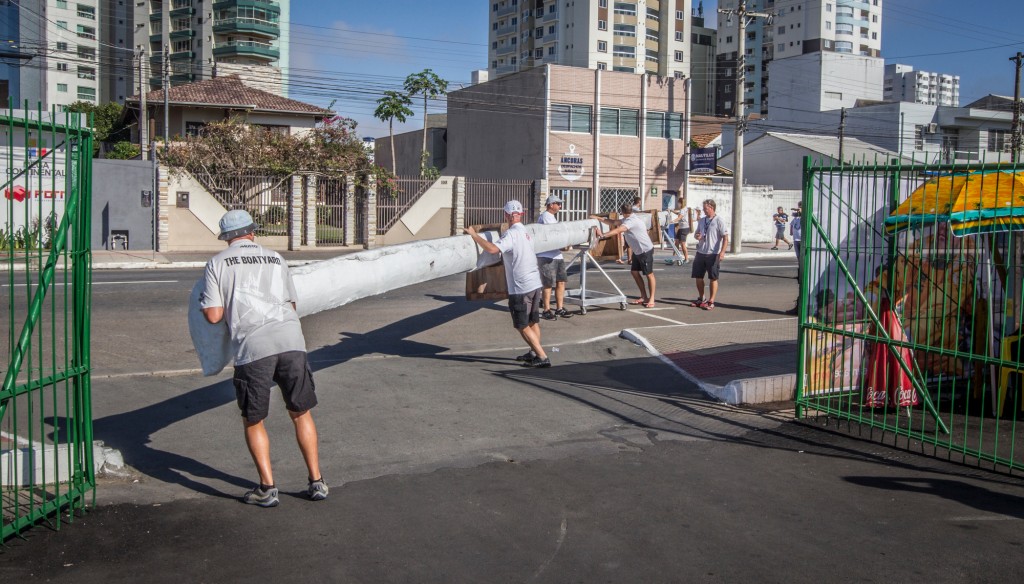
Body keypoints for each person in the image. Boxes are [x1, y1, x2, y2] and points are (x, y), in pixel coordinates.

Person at [200, 210, 327, 507]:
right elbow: (292, 305)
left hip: (253, 348)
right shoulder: (276, 258)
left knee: (253, 419)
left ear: (227, 238)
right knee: (301, 413)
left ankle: (267, 489)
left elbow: (214, 315)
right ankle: (317, 481)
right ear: (252, 232)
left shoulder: (217, 263)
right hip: (292, 341)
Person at [464, 200, 551, 368]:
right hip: (534, 283)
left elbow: (493, 250)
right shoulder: (525, 232)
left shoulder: (511, 234)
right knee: (533, 322)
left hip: (520, 286)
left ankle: (542, 356)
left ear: (508, 215)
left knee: (522, 325)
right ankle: (534, 352)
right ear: (520, 215)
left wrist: (475, 236)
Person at [592, 203, 657, 308]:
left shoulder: (631, 221)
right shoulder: (628, 218)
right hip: (637, 251)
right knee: (634, 272)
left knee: (649, 274)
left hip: (645, 250)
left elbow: (619, 230)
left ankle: (652, 298)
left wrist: (603, 235)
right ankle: (644, 296)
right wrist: (598, 218)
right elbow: (613, 222)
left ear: (622, 212)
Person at [536, 195, 573, 321]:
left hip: (556, 255)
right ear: (551, 204)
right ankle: (546, 309)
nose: (560, 206)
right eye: (558, 203)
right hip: (545, 255)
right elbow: (553, 235)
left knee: (561, 281)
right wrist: (564, 244)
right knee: (547, 283)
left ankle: (559, 308)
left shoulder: (552, 218)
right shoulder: (545, 216)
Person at [690, 199, 729, 310]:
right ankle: (702, 298)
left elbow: (725, 238)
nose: (704, 210)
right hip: (701, 252)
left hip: (713, 253)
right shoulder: (702, 220)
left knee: (713, 277)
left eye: (705, 208)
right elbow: (697, 234)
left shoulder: (719, 220)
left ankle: (711, 301)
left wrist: (722, 252)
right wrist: (698, 236)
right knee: (698, 276)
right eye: (703, 208)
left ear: (711, 208)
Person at [786, 209, 803, 315]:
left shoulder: (807, 217)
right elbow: (792, 226)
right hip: (797, 240)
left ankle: (802, 306)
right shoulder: (795, 219)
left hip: (804, 241)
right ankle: (800, 305)